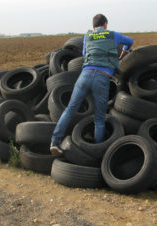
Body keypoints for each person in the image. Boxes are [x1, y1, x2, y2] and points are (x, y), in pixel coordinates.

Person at [50, 13, 134, 155]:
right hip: (102, 78)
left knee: (70, 110)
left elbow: (84, 53)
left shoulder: (87, 37)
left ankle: (54, 142)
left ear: (93, 26)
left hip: (85, 75)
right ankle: (96, 151)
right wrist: (123, 52)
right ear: (105, 24)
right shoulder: (112, 34)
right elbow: (130, 41)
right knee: (99, 118)